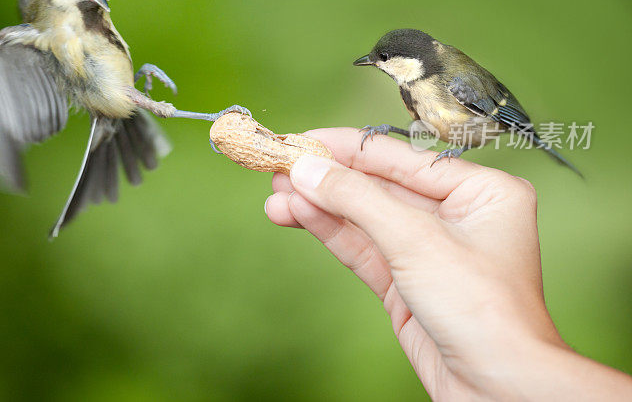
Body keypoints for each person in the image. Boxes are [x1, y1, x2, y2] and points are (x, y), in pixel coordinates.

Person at [264, 128, 632, 400]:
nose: (377, 64)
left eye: (385, 58)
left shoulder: (451, 83)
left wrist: (511, 359)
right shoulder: (414, 92)